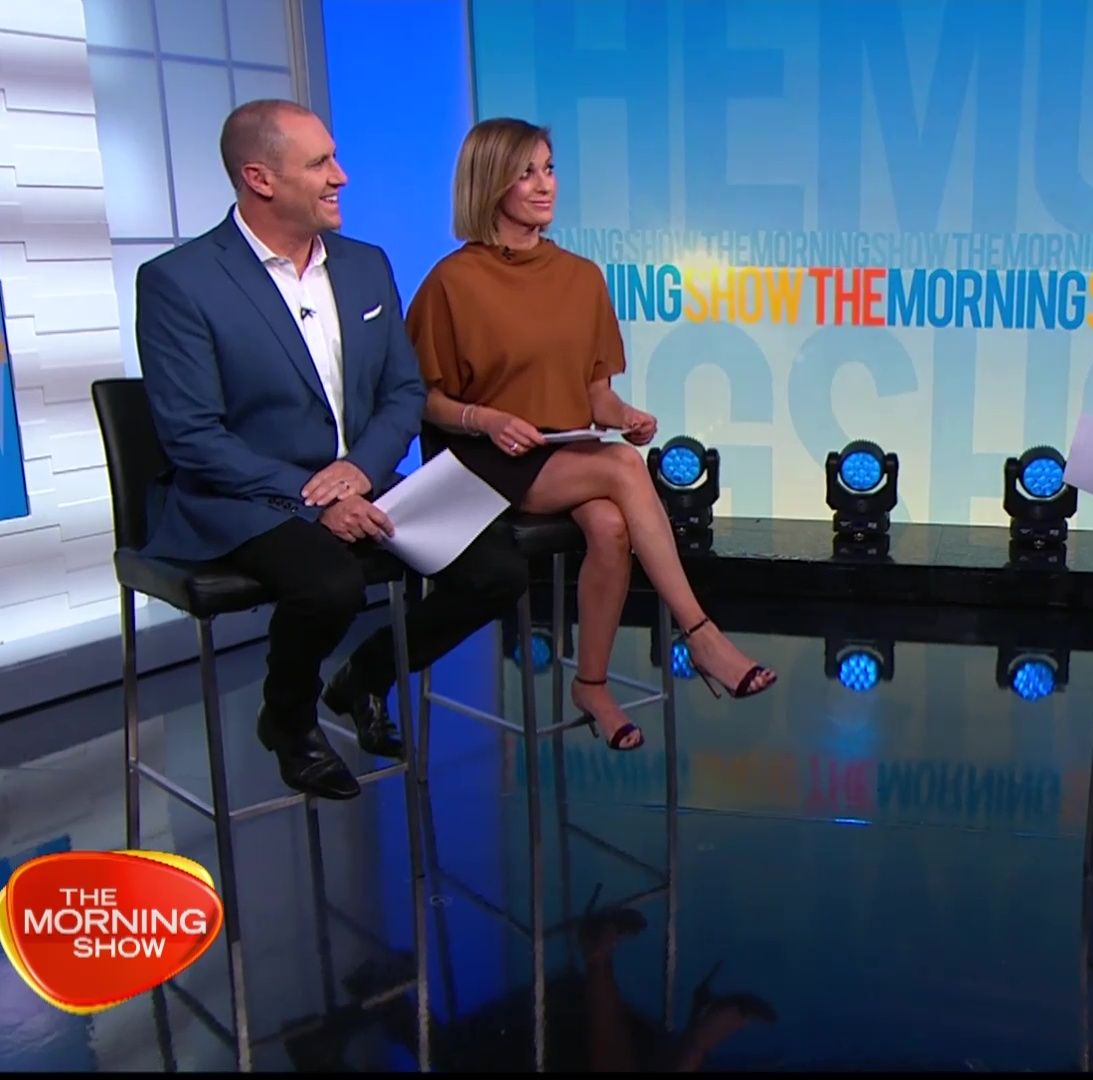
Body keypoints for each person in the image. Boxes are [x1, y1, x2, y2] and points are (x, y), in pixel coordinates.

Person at [135, 99, 528, 800]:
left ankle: (365, 677)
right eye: (320, 163)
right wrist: (313, 498)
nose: (340, 176)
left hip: (360, 479)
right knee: (330, 585)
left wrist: (360, 471)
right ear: (260, 179)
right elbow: (193, 435)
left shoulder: (365, 265)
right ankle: (287, 720)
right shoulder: (180, 281)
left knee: (498, 569)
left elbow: (403, 391)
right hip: (245, 496)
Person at [405, 117, 776, 753]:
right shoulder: (451, 281)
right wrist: (487, 420)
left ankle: (592, 685)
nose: (544, 184)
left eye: (549, 169)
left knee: (610, 525)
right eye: (525, 173)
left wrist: (625, 415)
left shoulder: (580, 276)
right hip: (483, 459)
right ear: (489, 183)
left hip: (562, 451)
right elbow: (423, 398)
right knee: (624, 469)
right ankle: (701, 634)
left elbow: (595, 394)